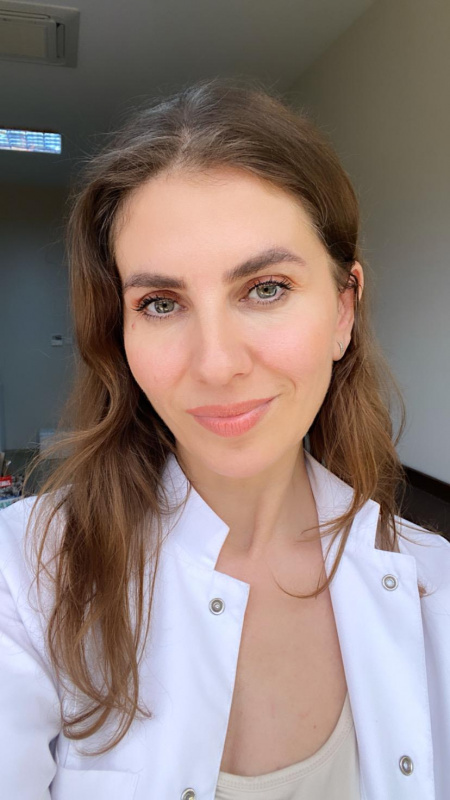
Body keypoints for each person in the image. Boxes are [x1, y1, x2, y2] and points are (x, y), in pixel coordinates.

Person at [0, 78, 448, 800]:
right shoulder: (26, 578)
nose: (215, 364)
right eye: (161, 303)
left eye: (265, 288)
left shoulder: (435, 587)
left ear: (343, 312)